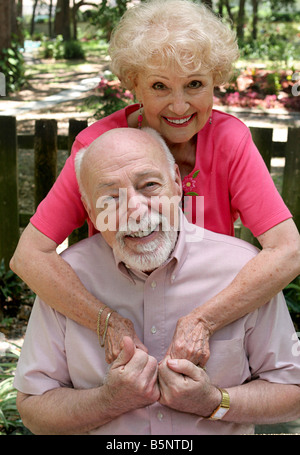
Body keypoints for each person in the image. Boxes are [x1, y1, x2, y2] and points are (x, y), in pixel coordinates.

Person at [10, 0, 300, 366]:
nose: (179, 106)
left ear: (216, 81)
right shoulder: (98, 148)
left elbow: (288, 250)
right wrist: (107, 323)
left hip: (209, 331)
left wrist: (203, 321)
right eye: (160, 86)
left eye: (194, 84)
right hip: (121, 327)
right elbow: (29, 257)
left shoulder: (229, 140)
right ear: (134, 84)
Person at [14, 128, 300, 436]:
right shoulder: (66, 278)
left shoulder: (244, 270)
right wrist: (108, 401)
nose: (135, 210)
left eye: (149, 185)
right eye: (111, 197)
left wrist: (214, 402)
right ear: (89, 210)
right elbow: (33, 408)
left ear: (177, 183)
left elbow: (292, 394)